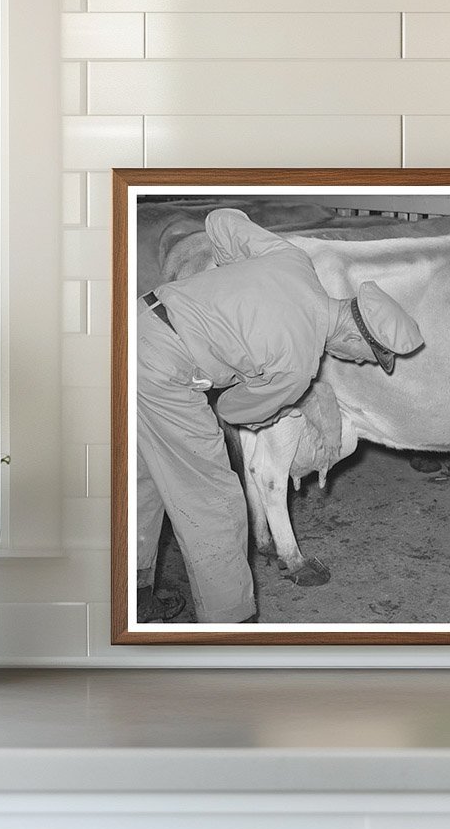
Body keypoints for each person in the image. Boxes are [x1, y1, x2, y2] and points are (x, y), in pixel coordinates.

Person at [136, 208, 424, 625]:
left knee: (148, 478)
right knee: (216, 503)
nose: (363, 364)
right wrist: (263, 385)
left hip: (135, 321)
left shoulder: (294, 264)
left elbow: (220, 220)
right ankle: (230, 629)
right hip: (162, 372)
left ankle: (136, 591)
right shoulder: (298, 364)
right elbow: (230, 410)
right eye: (371, 357)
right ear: (353, 336)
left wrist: (237, 297)